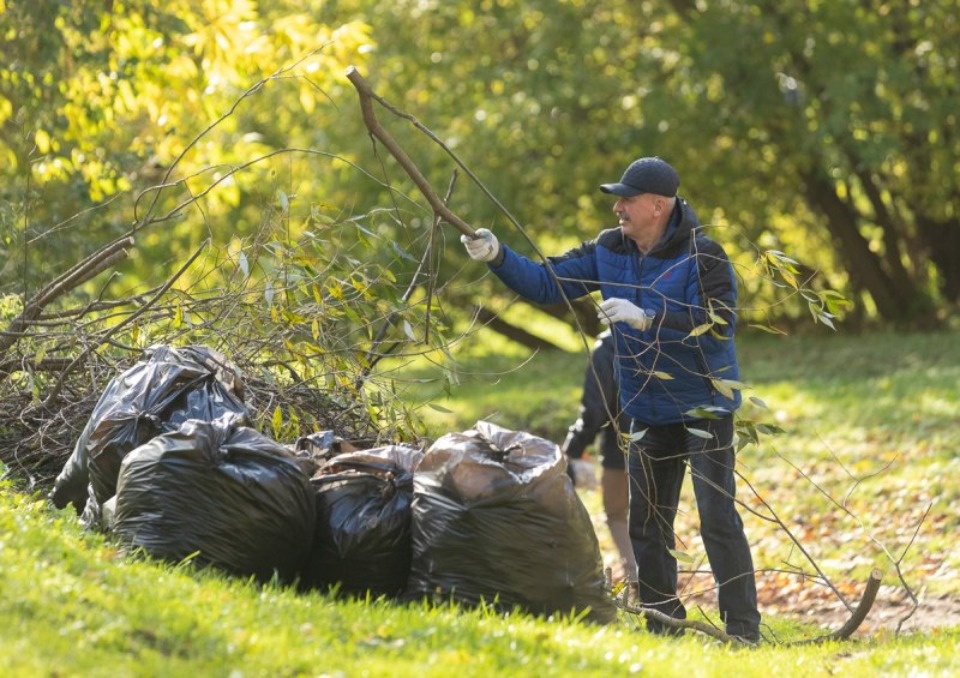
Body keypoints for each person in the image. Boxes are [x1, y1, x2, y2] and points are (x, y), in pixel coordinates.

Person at [461, 157, 761, 641]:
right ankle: (664, 625)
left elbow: (720, 324)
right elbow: (546, 283)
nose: (617, 206)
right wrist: (497, 255)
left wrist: (647, 316)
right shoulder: (608, 248)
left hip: (704, 406)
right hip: (646, 407)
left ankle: (744, 629)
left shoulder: (704, 256)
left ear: (658, 206)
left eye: (627, 198)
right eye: (616, 199)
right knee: (647, 525)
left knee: (716, 519)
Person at [562, 330, 638, 585]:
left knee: (617, 513)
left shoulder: (607, 349)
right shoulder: (661, 335)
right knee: (656, 513)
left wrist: (573, 448)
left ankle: (637, 577)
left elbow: (596, 409)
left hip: (621, 445)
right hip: (665, 442)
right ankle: (661, 579)